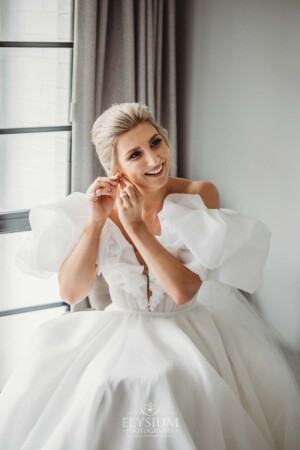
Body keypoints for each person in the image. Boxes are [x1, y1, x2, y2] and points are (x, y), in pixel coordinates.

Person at [0, 102, 299, 450]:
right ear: (115, 168)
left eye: (156, 143)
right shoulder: (96, 205)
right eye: (136, 154)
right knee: (103, 388)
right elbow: (71, 292)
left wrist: (136, 225)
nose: (154, 160)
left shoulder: (198, 195)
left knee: (170, 381)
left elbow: (182, 291)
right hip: (118, 329)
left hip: (187, 327)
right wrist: (96, 223)